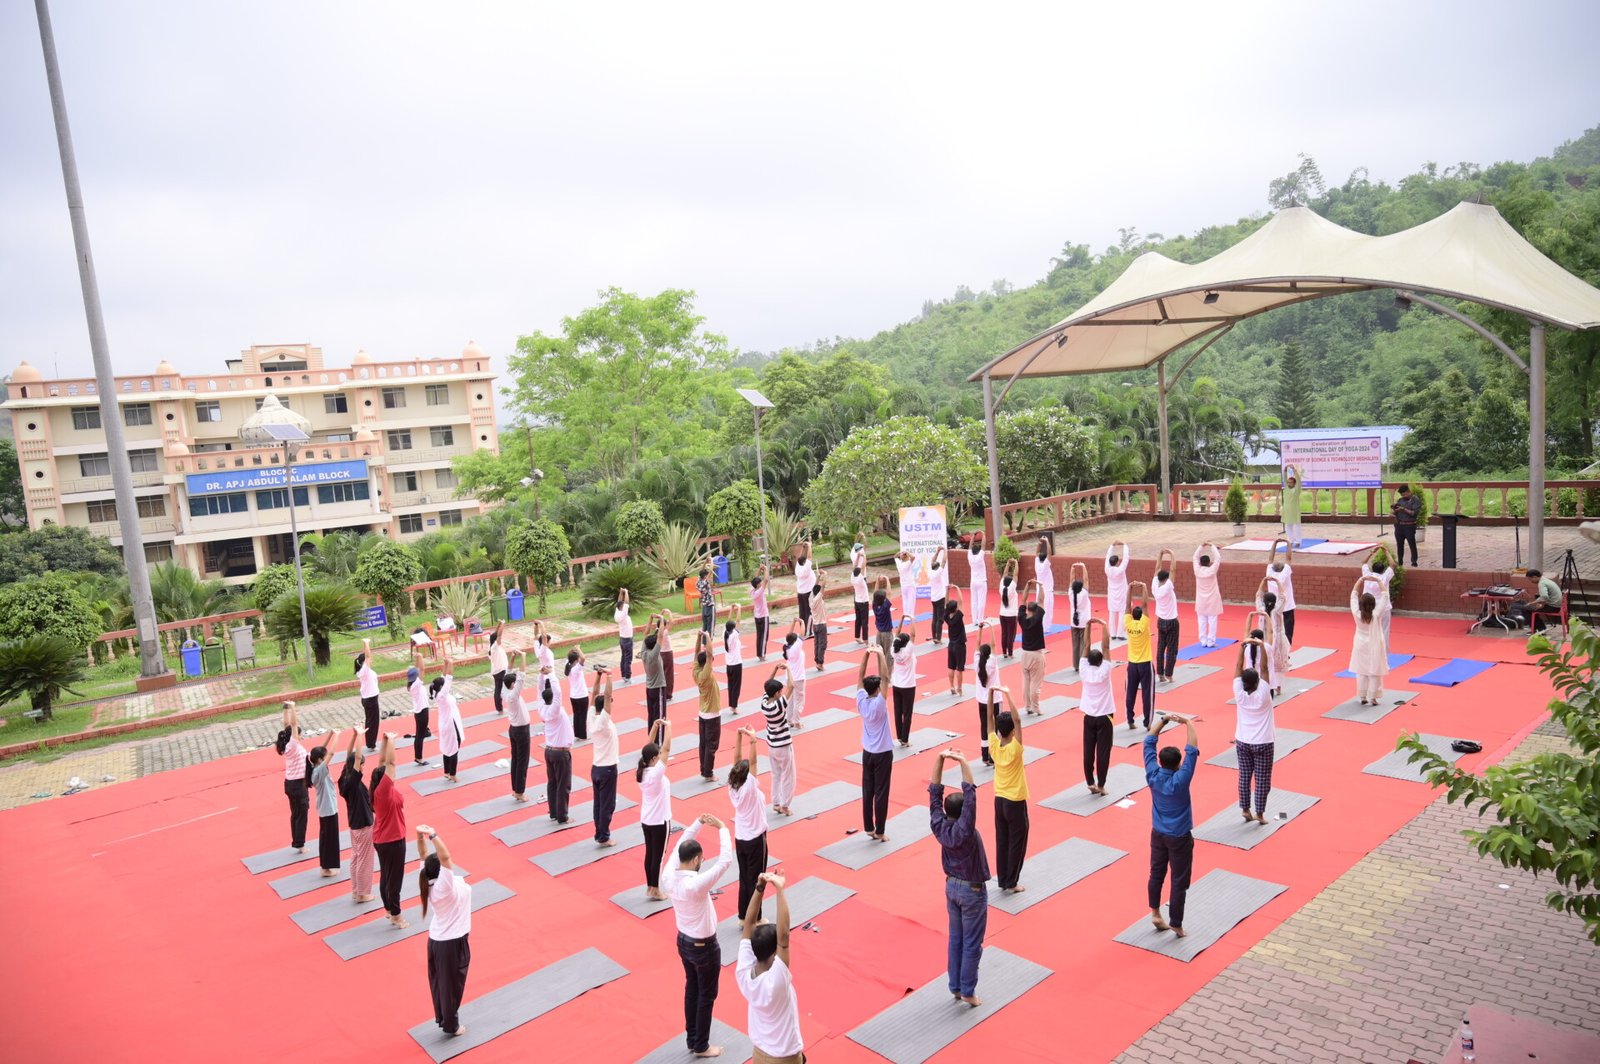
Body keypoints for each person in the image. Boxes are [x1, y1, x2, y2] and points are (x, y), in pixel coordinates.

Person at [667, 813, 735, 1059]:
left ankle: (693, 1038)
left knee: (692, 988)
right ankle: (701, 1045)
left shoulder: (669, 875)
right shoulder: (695, 884)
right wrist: (722, 827)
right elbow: (726, 861)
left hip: (684, 941)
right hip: (703, 947)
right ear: (696, 859)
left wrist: (697, 824)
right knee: (706, 994)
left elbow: (678, 845)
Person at [929, 748, 988, 1008]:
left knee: (956, 938)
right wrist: (963, 761)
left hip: (951, 887)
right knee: (972, 942)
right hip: (972, 891)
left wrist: (940, 760)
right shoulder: (965, 828)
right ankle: (967, 990)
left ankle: (955, 986)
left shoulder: (939, 826)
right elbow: (971, 792)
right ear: (964, 812)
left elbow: (934, 793)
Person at [737, 873, 804, 1064]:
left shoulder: (743, 971)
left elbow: (749, 924)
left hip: (759, 1054)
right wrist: (780, 890)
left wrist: (760, 888)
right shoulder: (776, 981)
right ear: (774, 953)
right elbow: (784, 938)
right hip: (784, 1058)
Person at [1144, 712, 1199, 937]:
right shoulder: (1181, 779)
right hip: (1179, 837)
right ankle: (1176, 922)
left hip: (1158, 833)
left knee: (1156, 873)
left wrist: (1164, 720)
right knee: (1179, 879)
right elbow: (1192, 749)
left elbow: (1149, 740)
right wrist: (1187, 722)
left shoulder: (1152, 773)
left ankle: (1156, 912)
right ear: (1178, 764)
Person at [415, 825, 471, 1039]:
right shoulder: (443, 886)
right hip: (451, 942)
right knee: (451, 986)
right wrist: (433, 835)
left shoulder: (428, 879)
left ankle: (444, 1018)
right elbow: (446, 857)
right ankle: (451, 1025)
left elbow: (422, 854)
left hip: (439, 940)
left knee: (442, 984)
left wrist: (419, 836)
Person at [987, 685, 1030, 894]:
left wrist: (990, 695)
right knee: (1017, 843)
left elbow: (989, 719)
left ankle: (1003, 878)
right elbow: (1019, 720)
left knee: (1002, 840)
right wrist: (1007, 693)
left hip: (999, 800)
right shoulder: (1015, 747)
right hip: (1015, 801)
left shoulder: (994, 746)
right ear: (1012, 731)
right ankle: (1011, 882)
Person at [1232, 639, 1276, 823]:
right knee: (1262, 780)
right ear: (1258, 682)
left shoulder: (1239, 692)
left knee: (1244, 776)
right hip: (1263, 743)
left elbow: (1237, 666)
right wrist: (1260, 645)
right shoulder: (1263, 694)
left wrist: (1243, 648)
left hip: (1242, 741)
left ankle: (1245, 809)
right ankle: (1259, 813)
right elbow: (1265, 668)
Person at [728, 727, 769, 918]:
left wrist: (738, 736)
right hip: (755, 840)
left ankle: (743, 916)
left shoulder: (733, 787)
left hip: (741, 839)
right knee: (756, 880)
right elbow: (753, 761)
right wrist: (753, 741)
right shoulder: (750, 789)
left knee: (744, 878)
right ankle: (755, 918)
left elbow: (737, 761)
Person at [371, 731, 409, 929]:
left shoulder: (379, 789)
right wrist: (393, 741)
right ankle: (395, 914)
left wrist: (385, 741)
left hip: (383, 839)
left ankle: (388, 909)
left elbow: (383, 762)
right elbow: (391, 764)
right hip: (392, 840)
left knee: (386, 875)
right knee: (394, 879)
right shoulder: (383, 793)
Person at [856, 649, 895, 841]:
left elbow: (860, 677)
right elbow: (886, 677)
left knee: (867, 789)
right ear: (877, 689)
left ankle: (869, 828)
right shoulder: (880, 703)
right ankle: (879, 831)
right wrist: (880, 654)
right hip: (882, 753)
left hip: (867, 752)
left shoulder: (861, 700)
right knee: (881, 792)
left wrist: (866, 655)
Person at [338, 728, 376, 902]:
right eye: (361, 765)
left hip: (355, 824)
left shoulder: (344, 779)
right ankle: (361, 893)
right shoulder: (352, 782)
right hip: (362, 825)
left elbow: (349, 757)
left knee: (356, 857)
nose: (362, 767)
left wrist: (353, 736)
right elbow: (357, 758)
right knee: (365, 859)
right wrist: (360, 736)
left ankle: (356, 891)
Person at [638, 718, 673, 900]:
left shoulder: (643, 769)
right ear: (653, 759)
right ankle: (655, 889)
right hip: (660, 821)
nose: (660, 755)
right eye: (657, 754)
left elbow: (647, 747)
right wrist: (669, 728)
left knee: (650, 853)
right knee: (657, 857)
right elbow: (666, 749)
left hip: (647, 820)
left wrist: (655, 727)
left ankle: (650, 886)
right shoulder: (656, 774)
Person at [1080, 619, 1116, 793]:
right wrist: (1104, 625)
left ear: (1089, 661)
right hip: (1105, 716)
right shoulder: (1104, 671)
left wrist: (1087, 626)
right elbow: (1106, 647)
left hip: (1089, 717)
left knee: (1088, 750)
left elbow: (1086, 644)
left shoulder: (1084, 670)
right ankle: (1101, 784)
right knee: (1103, 753)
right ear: (1101, 661)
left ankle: (1089, 782)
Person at [1349, 574, 1391, 705]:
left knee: (1362, 671)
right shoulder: (1376, 614)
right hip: (1375, 644)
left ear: (1361, 604)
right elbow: (1385, 595)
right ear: (1373, 604)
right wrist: (1379, 580)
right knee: (1375, 670)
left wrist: (1360, 579)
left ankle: (1362, 697)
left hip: (1360, 644)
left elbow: (1353, 595)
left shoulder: (1356, 613)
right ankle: (1373, 697)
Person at [538, 671, 574, 823]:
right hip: (560, 753)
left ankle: (554, 812)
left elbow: (539, 691)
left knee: (552, 783)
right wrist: (550, 674)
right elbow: (558, 692)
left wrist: (541, 677)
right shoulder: (555, 710)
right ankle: (562, 816)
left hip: (550, 750)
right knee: (562, 785)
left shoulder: (542, 708)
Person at [589, 666, 619, 846]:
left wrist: (598, 676)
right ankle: (603, 837)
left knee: (598, 804)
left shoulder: (591, 717)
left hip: (597, 768)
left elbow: (594, 694)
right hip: (607, 768)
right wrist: (609, 676)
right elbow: (606, 697)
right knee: (606, 805)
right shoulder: (603, 722)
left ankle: (599, 833)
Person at [760, 666, 796, 817]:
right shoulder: (779, 705)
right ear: (776, 693)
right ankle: (785, 805)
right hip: (783, 745)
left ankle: (775, 802)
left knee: (775, 774)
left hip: (771, 744)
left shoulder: (764, 703)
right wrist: (787, 668)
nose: (782, 693)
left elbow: (767, 684)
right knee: (789, 775)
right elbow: (792, 686)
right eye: (780, 691)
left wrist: (774, 669)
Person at [275, 700, 310, 852]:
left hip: (290, 784)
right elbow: (294, 725)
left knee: (295, 813)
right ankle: (300, 844)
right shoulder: (294, 745)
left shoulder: (287, 743)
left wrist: (286, 709)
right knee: (301, 814)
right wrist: (294, 707)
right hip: (298, 785)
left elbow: (287, 725)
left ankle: (297, 841)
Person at [1124, 582, 1154, 729]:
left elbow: (1126, 606)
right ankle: (1148, 723)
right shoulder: (1144, 624)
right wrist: (1144, 586)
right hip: (1145, 664)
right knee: (1147, 694)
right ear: (1141, 616)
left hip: (1132, 665)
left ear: (1131, 616)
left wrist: (1129, 588)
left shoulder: (1128, 623)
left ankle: (1130, 720)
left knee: (1130, 693)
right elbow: (1145, 605)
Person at [1254, 576, 1290, 697]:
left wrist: (1263, 581)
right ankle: (1278, 685)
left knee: (1264, 661)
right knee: (1277, 663)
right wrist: (1278, 582)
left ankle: (1264, 683)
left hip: (1263, 639)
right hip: (1278, 640)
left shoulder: (1261, 609)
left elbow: (1258, 595)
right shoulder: (1277, 609)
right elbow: (1283, 596)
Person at [693, 632, 723, 782]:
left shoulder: (696, 670)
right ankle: (708, 773)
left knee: (703, 744)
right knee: (711, 745)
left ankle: (704, 770)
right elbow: (710, 653)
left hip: (703, 713)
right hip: (711, 714)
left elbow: (696, 653)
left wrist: (699, 639)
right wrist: (708, 637)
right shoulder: (705, 673)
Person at [309, 735, 339, 877]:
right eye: (324, 756)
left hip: (327, 808)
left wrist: (331, 734)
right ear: (320, 759)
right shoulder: (319, 770)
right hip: (328, 810)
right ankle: (326, 868)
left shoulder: (316, 766)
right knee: (328, 839)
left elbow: (322, 750)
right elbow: (331, 753)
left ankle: (326, 866)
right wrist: (338, 736)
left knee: (327, 838)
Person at [506, 654, 533, 801]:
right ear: (512, 685)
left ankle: (515, 789)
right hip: (521, 731)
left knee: (516, 759)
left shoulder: (506, 691)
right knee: (522, 761)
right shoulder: (513, 695)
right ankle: (519, 791)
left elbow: (508, 671)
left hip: (514, 729)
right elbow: (521, 676)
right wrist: (523, 657)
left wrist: (512, 657)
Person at [1017, 586, 1047, 717]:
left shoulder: (1022, 618)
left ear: (1028, 610)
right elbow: (1041, 599)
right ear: (1036, 611)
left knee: (1026, 681)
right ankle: (1035, 707)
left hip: (1024, 654)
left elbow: (1023, 600)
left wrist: (1027, 586)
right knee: (1036, 683)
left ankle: (1028, 706)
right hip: (1036, 655)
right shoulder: (1038, 618)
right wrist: (1040, 585)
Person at [435, 649, 463, 783]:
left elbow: (444, 676)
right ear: (442, 686)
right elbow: (449, 678)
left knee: (447, 747)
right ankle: (452, 773)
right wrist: (451, 663)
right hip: (449, 725)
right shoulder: (443, 695)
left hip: (447, 723)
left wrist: (445, 662)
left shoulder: (439, 693)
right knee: (454, 747)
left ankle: (446, 771)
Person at [1153, 550, 1180, 684]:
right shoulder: (1168, 587)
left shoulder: (1154, 586)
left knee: (1160, 648)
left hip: (1160, 621)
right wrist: (1171, 554)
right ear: (1166, 578)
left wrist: (1161, 554)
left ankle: (1160, 674)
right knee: (1172, 649)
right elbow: (1173, 569)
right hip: (1171, 622)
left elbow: (1157, 568)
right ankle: (1169, 674)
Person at [889, 618, 917, 746]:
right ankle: (905, 740)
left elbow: (897, 634)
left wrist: (901, 620)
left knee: (897, 711)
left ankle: (900, 737)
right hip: (908, 687)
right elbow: (913, 635)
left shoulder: (894, 651)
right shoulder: (907, 652)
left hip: (896, 685)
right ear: (906, 644)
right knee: (907, 714)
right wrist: (911, 619)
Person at [1268, 538, 1299, 645]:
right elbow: (1289, 557)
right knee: (1288, 632)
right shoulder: (1284, 573)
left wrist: (1275, 543)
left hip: (1274, 608)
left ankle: (1274, 648)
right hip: (1287, 607)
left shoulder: (1269, 573)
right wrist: (1288, 543)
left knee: (1274, 630)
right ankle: (1286, 652)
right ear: (1282, 568)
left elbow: (1270, 558)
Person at [1361, 549, 1396, 644]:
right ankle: (1384, 653)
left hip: (1369, 608)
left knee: (1368, 629)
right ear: (1383, 570)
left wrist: (1372, 553)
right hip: (1383, 608)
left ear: (1372, 568)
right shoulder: (1384, 577)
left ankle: (1369, 649)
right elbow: (1393, 565)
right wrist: (1386, 551)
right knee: (1384, 629)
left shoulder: (1367, 575)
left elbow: (1363, 562)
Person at [973, 627, 996, 767]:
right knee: (994, 728)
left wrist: (980, 629)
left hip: (981, 700)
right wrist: (991, 627)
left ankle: (984, 755)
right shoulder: (992, 662)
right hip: (993, 700)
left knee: (984, 727)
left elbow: (977, 643)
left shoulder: (977, 663)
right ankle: (993, 756)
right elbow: (993, 645)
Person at [1193, 543, 1223, 648]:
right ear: (1209, 562)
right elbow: (1218, 558)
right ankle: (1211, 641)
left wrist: (1201, 546)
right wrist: (1211, 546)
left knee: (1201, 620)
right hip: (1212, 599)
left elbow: (1194, 557)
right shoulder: (1212, 570)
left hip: (1201, 599)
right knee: (1212, 620)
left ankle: (1203, 641)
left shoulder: (1197, 570)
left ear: (1200, 563)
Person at [641, 616, 668, 731]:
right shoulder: (654, 655)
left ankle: (651, 737)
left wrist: (650, 619)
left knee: (651, 715)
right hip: (658, 689)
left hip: (649, 689)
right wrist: (661, 619)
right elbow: (661, 636)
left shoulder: (644, 652)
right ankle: (658, 742)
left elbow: (645, 633)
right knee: (660, 717)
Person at [783, 619, 808, 731]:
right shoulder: (796, 648)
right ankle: (797, 721)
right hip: (798, 678)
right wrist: (802, 622)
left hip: (789, 678)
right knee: (799, 700)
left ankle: (789, 721)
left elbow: (789, 635)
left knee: (790, 700)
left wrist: (793, 623)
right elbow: (802, 634)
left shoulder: (787, 647)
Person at [1521, 567, 1564, 632]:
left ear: (1535, 577)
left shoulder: (1542, 583)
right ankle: (1541, 628)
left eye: (1530, 579)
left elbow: (1544, 596)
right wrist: (1537, 602)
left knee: (1525, 609)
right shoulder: (1545, 580)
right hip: (1556, 604)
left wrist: (1539, 604)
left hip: (1553, 607)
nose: (1530, 581)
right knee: (1531, 607)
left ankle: (1539, 629)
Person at [1066, 562, 1092, 665]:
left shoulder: (1070, 593)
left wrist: (1072, 568)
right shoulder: (1084, 594)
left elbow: (1071, 580)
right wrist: (1083, 567)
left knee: (1075, 644)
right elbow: (1086, 580)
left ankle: (1076, 664)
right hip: (1084, 622)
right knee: (1084, 643)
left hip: (1074, 622)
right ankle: (1083, 663)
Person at [356, 639, 380, 750]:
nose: (370, 660)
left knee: (370, 721)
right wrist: (366, 643)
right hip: (370, 699)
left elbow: (366, 656)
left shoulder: (364, 670)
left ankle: (370, 742)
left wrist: (364, 645)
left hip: (369, 698)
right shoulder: (364, 671)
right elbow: (368, 656)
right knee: (372, 722)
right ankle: (371, 744)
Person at [1105, 541, 1131, 640]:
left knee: (1112, 614)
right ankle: (1120, 634)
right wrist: (1125, 545)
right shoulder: (1120, 570)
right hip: (1121, 594)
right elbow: (1126, 558)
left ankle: (1112, 634)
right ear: (1117, 562)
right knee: (1121, 613)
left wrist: (1112, 546)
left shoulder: (1107, 569)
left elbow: (1107, 557)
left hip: (1112, 594)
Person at [944, 587, 968, 696]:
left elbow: (946, 603)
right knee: (959, 668)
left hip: (951, 645)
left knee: (951, 667)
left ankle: (951, 686)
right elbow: (961, 601)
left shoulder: (947, 616)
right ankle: (960, 688)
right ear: (956, 608)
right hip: (960, 645)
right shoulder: (958, 616)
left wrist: (948, 591)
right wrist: (957, 588)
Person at [1392, 484, 1421, 567]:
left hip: (1409, 526)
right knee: (1399, 545)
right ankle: (1400, 561)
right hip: (1399, 526)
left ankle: (1414, 562)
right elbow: (1395, 512)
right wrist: (1395, 510)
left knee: (1412, 544)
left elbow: (1413, 513)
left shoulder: (1415, 500)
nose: (1403, 496)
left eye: (1404, 494)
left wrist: (1403, 509)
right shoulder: (1400, 500)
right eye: (1402, 495)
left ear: (1409, 492)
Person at [724, 603, 746, 711]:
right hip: (736, 665)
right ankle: (734, 706)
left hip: (729, 665)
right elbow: (738, 621)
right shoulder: (733, 635)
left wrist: (731, 610)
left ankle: (732, 705)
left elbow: (729, 622)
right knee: (736, 687)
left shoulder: (726, 634)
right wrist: (739, 609)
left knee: (731, 685)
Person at [407, 665, 431, 766]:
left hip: (420, 712)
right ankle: (419, 757)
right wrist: (420, 657)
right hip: (422, 712)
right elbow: (422, 669)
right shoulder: (416, 685)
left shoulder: (413, 685)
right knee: (420, 736)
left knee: (419, 735)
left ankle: (418, 756)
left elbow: (420, 669)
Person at [894, 549, 920, 642]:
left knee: (905, 600)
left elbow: (894, 556)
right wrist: (907, 553)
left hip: (903, 585)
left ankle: (905, 614)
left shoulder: (899, 563)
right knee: (911, 600)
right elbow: (913, 557)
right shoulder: (907, 563)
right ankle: (910, 615)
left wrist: (900, 553)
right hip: (910, 584)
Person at [997, 560, 1020, 657]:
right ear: (1011, 583)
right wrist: (1016, 563)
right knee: (1011, 634)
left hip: (1002, 614)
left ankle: (1004, 652)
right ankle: (1010, 653)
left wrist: (1008, 564)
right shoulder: (1012, 588)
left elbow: (1005, 574)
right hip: (1011, 615)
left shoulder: (1001, 587)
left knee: (1004, 633)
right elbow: (1015, 575)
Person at [793, 542, 816, 633]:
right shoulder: (806, 568)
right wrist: (809, 546)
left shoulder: (798, 567)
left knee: (802, 612)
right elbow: (810, 557)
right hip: (808, 592)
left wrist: (803, 548)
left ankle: (803, 629)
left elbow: (800, 558)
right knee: (809, 612)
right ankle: (808, 631)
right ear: (805, 562)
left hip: (801, 592)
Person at [871, 577, 896, 663]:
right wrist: (887, 579)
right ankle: (888, 675)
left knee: (880, 655)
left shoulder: (874, 606)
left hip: (879, 634)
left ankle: (881, 673)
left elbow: (875, 593)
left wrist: (877, 581)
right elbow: (889, 593)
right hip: (887, 634)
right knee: (888, 655)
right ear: (884, 599)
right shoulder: (885, 607)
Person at [1034, 536, 1056, 630]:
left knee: (1039, 608)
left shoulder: (1037, 563)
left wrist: (1040, 543)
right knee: (1047, 609)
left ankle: (1039, 625)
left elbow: (1036, 553)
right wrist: (1047, 541)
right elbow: (1049, 553)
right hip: (1047, 590)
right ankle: (1046, 627)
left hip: (1039, 590)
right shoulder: (1046, 565)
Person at [929, 547, 949, 644]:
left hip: (933, 598)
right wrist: (944, 551)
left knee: (934, 618)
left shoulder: (931, 571)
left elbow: (933, 560)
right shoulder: (938, 572)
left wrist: (937, 551)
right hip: (940, 598)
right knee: (940, 619)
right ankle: (938, 638)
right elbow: (944, 561)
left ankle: (934, 637)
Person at [968, 532, 989, 628]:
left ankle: (974, 620)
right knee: (981, 601)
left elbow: (969, 546)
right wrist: (983, 535)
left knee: (974, 601)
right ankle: (980, 620)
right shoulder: (980, 557)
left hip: (973, 582)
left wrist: (972, 537)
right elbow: (983, 546)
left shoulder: (970, 556)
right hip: (981, 582)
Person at [850, 550, 871, 644]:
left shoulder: (853, 577)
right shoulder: (860, 578)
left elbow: (855, 567)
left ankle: (857, 637)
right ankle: (866, 639)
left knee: (858, 619)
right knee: (864, 621)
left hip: (857, 602)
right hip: (863, 602)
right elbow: (863, 566)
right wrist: (864, 556)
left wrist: (858, 557)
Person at [809, 574, 829, 669]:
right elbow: (823, 587)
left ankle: (817, 661)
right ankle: (820, 663)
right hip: (821, 625)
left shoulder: (811, 597)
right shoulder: (818, 598)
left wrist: (818, 577)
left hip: (815, 625)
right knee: (823, 644)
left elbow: (815, 587)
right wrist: (825, 575)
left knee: (817, 644)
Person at [1281, 463, 1304, 548]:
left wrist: (1294, 470)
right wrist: (1285, 470)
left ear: (1294, 483)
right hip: (1286, 510)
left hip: (1294, 510)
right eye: (1288, 482)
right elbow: (1284, 478)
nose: (1289, 483)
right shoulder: (1286, 489)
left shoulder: (1297, 490)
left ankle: (1298, 541)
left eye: (1291, 482)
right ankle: (1290, 540)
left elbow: (1298, 480)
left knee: (1297, 525)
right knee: (1288, 526)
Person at [615, 588, 635, 682]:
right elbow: (626, 603)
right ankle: (628, 677)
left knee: (624, 657)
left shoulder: (617, 612)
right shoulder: (622, 614)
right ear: (622, 608)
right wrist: (626, 592)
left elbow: (619, 601)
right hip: (627, 640)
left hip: (622, 639)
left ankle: (623, 675)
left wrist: (621, 592)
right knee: (628, 659)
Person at [752, 564, 771, 662]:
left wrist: (759, 569)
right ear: (758, 585)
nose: (761, 583)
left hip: (757, 616)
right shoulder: (759, 591)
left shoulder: (753, 590)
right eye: (759, 583)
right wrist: (766, 569)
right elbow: (766, 580)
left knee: (759, 635)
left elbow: (756, 578)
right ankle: (762, 655)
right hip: (763, 616)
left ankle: (759, 654)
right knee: (764, 636)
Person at [488, 622, 508, 714]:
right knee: (499, 691)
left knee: (498, 690)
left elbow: (496, 634)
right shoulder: (495, 647)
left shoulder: (492, 646)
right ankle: (500, 709)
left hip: (498, 671)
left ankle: (500, 708)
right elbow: (499, 635)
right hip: (500, 671)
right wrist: (503, 625)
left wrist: (499, 625)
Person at [658, 611, 678, 700]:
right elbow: (672, 623)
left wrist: (661, 614)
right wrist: (670, 613)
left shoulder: (657, 631)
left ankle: (661, 693)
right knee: (669, 675)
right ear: (665, 625)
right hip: (667, 654)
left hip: (660, 654)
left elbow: (659, 623)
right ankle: (668, 694)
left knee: (661, 674)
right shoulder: (665, 633)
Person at [697, 559, 717, 638]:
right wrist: (711, 560)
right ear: (705, 576)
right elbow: (711, 570)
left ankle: (705, 645)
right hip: (710, 606)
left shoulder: (698, 582)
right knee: (710, 627)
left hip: (704, 607)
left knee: (705, 626)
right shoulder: (705, 581)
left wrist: (705, 562)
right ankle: (709, 644)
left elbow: (701, 571)